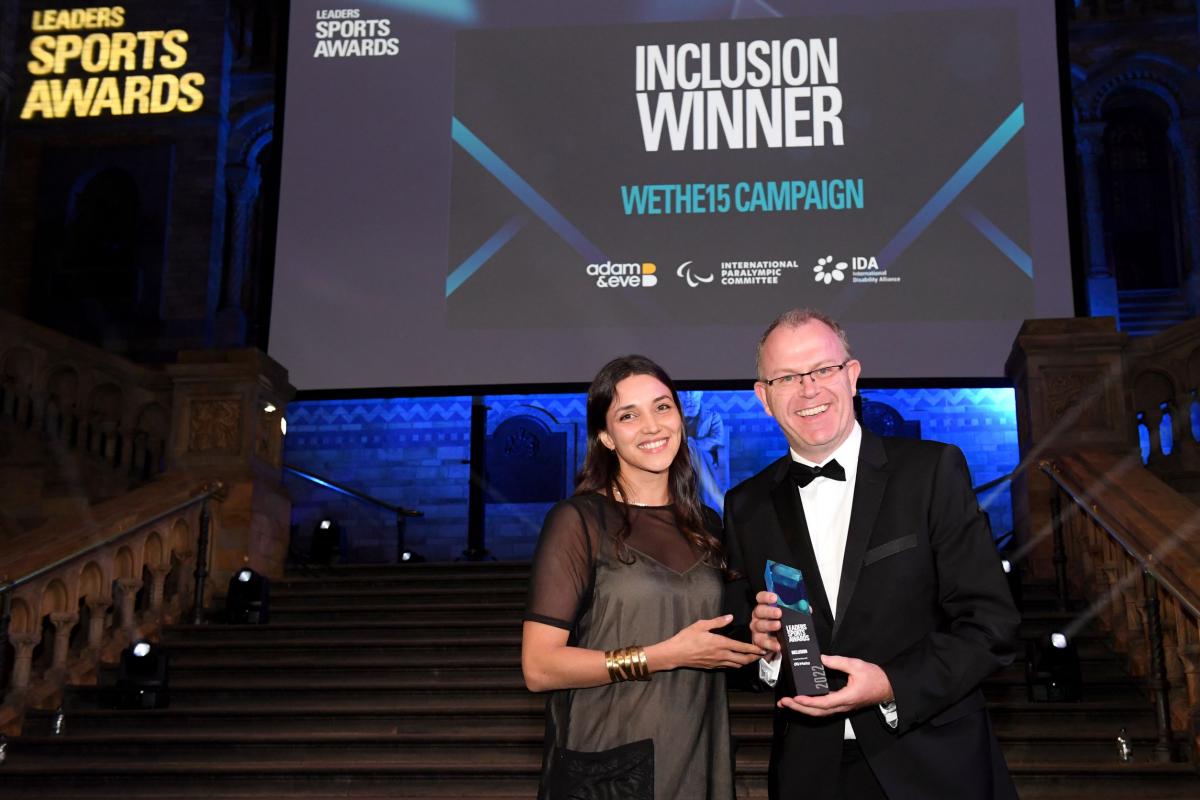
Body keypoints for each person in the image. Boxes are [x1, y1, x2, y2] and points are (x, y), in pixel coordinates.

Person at [723, 309, 1021, 800]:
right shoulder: (746, 505)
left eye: (823, 370)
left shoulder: (931, 472)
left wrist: (890, 684)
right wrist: (762, 651)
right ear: (764, 398)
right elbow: (741, 645)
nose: (809, 389)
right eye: (787, 377)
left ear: (852, 375)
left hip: (934, 763)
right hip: (809, 773)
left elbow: (991, 624)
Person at [522, 354, 763, 800]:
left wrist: (764, 643)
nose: (652, 426)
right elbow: (539, 667)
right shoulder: (579, 521)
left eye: (662, 407)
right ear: (605, 436)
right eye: (628, 415)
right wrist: (661, 655)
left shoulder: (708, 526)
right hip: (609, 763)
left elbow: (721, 645)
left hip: (697, 755)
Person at [681, 390, 728, 513]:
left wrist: (694, 444)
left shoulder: (712, 416)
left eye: (693, 393)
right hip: (680, 460)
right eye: (686, 393)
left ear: (701, 394)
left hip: (706, 459)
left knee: (691, 447)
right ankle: (717, 497)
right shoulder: (674, 418)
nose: (690, 396)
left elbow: (718, 440)